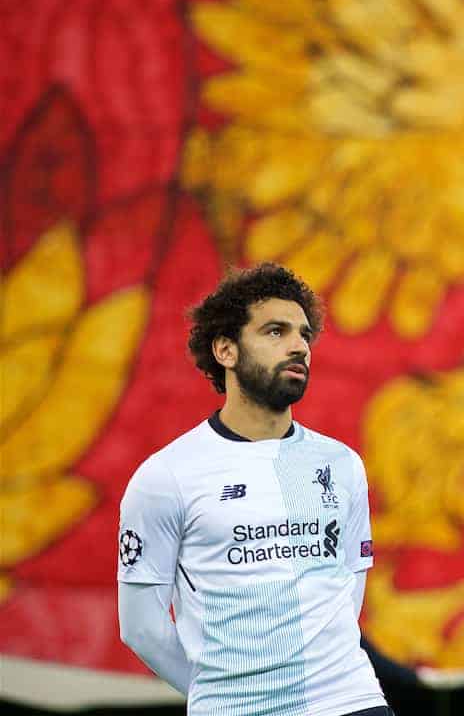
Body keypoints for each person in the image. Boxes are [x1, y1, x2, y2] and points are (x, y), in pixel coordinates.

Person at [117, 264, 389, 716]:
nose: (298, 346)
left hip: (352, 701)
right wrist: (222, 693)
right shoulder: (167, 476)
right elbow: (142, 628)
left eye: (304, 334)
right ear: (225, 349)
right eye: (275, 332)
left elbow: (345, 593)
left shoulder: (340, 465)